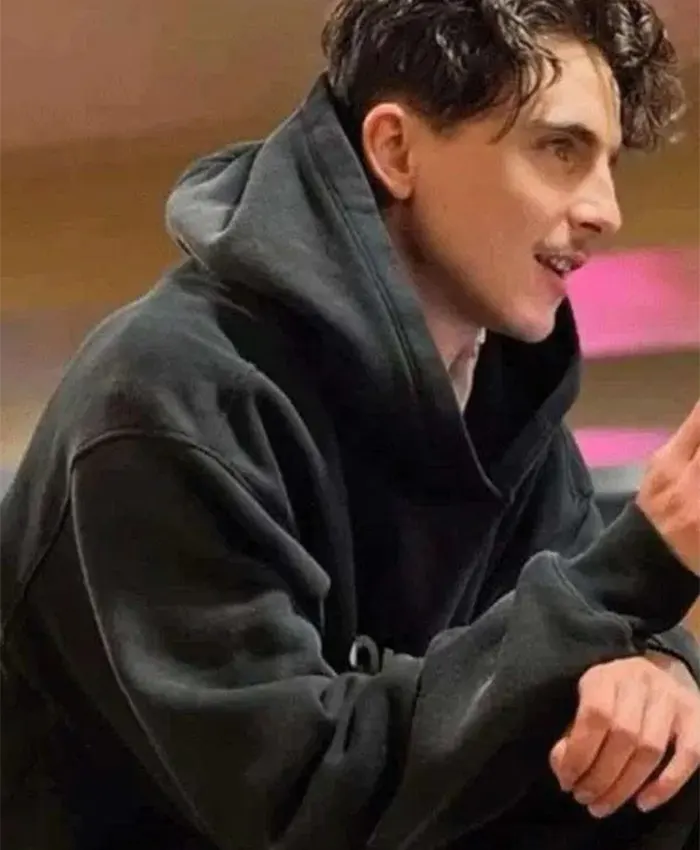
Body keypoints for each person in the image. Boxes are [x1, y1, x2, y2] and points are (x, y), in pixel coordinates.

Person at [1, 0, 699, 847]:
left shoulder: (506, 408)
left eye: (609, 163)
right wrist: (643, 563)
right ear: (396, 150)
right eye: (560, 149)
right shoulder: (170, 395)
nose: (605, 210)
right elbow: (299, 797)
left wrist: (659, 670)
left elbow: (569, 640)